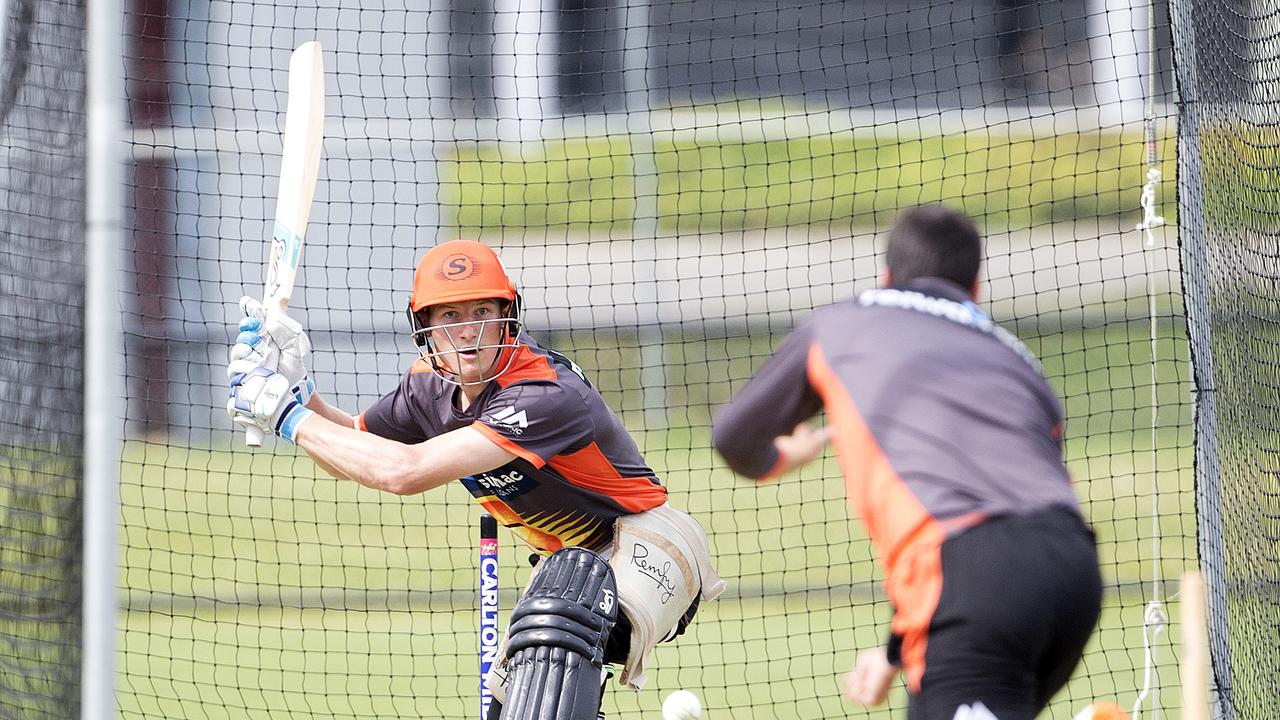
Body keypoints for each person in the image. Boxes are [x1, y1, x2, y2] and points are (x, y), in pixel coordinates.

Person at [227, 239, 724, 720]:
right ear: (425, 327)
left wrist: (283, 412)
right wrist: (300, 390)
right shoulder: (427, 386)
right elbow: (355, 448)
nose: (468, 331)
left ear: (507, 315)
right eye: (450, 316)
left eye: (481, 311)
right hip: (566, 566)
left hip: (650, 546)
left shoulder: (542, 393)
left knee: (555, 627)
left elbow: (403, 472)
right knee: (514, 697)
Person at [711, 204, 1102, 719]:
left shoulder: (843, 324)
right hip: (1072, 569)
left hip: (974, 581)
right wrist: (897, 652)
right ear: (976, 288)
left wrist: (782, 456)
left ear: (886, 276)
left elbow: (734, 437)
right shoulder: (1016, 359)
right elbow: (972, 501)